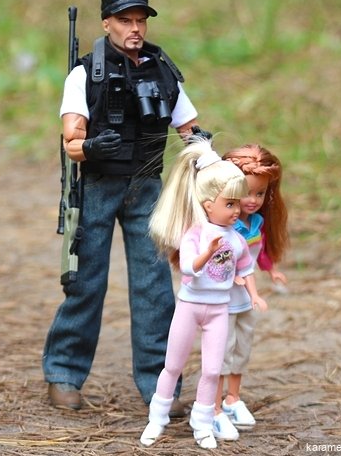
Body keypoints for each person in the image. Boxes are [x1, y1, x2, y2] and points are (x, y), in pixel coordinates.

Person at [42, 0, 208, 415]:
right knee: (84, 283)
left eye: (140, 21)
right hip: (98, 186)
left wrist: (211, 164)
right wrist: (93, 146)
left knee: (155, 289)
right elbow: (71, 141)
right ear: (106, 23)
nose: (134, 29)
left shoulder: (162, 69)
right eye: (125, 21)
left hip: (146, 187)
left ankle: (160, 384)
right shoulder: (86, 74)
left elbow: (189, 130)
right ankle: (63, 373)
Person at [140, 140, 267, 450]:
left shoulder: (236, 239)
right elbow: (189, 269)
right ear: (208, 203)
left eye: (237, 204)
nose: (236, 210)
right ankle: (157, 418)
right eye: (229, 204)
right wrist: (206, 254)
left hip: (218, 309)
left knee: (212, 369)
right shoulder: (195, 233)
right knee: (173, 364)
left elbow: (246, 267)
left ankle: (203, 422)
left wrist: (253, 294)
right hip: (191, 305)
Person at [215, 144, 289, 429]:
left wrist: (271, 271)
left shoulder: (256, 223)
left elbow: (261, 252)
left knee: (242, 349)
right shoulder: (222, 226)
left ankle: (233, 398)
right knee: (221, 350)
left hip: (246, 300)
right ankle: (215, 402)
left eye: (260, 193)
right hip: (222, 300)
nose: (253, 200)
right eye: (247, 192)